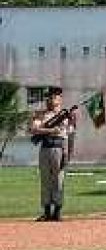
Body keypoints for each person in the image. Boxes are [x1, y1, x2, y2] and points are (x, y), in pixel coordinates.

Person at [29, 86, 76, 222]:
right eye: (48, 97)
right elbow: (33, 129)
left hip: (60, 148)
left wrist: (68, 153)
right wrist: (49, 131)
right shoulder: (41, 114)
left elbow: (70, 135)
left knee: (58, 180)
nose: (50, 100)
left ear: (60, 99)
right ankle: (46, 211)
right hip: (45, 148)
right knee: (45, 180)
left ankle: (57, 211)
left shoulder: (66, 115)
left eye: (54, 97)